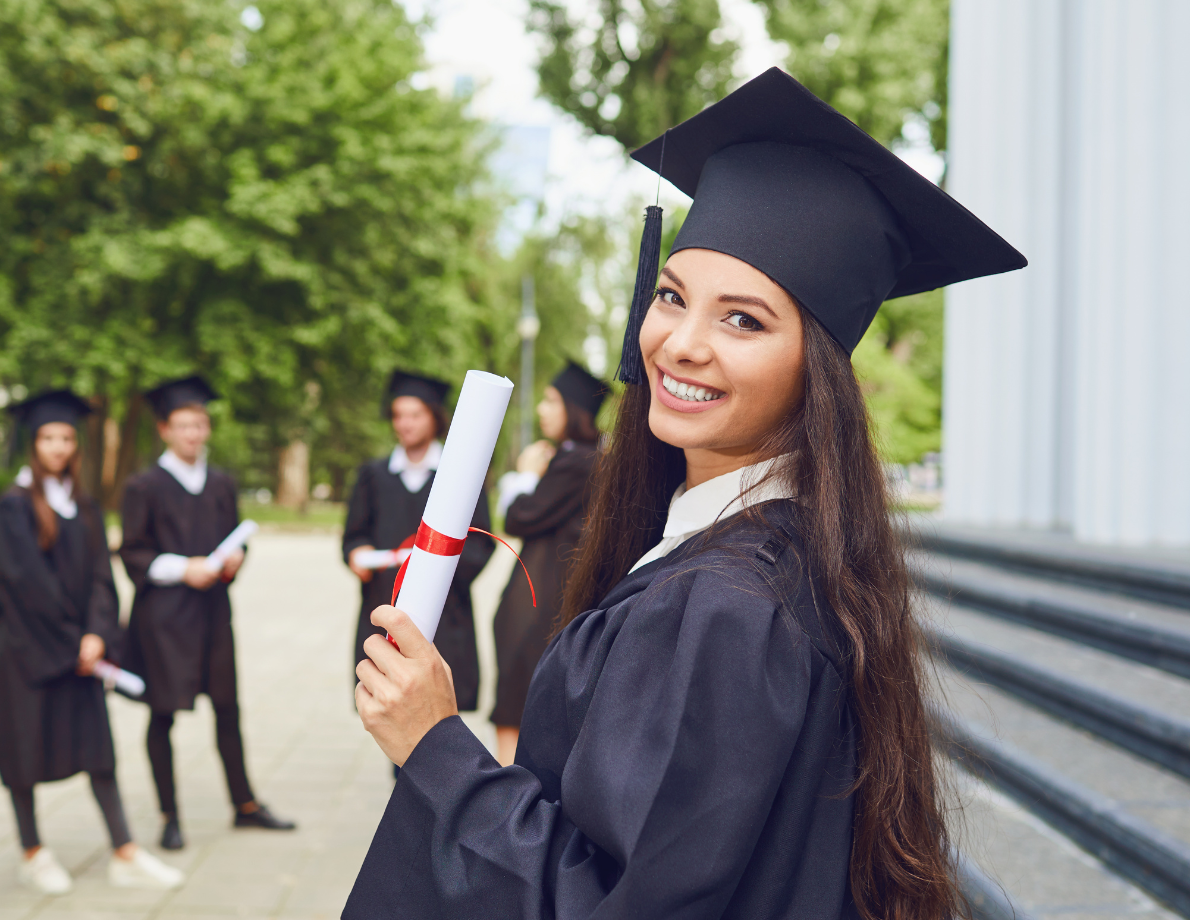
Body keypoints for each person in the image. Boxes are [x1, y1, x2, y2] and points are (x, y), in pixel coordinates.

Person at [345, 67, 1027, 920]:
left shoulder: (726, 609)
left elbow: (623, 903)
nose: (681, 343)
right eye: (671, 297)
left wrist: (435, 745)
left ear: (814, 369)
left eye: (743, 319)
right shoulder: (784, 558)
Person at [0, 390, 184, 894]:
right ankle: (32, 851)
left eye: (66, 438)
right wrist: (75, 642)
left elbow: (101, 575)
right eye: (49, 438)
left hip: (80, 650)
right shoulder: (12, 507)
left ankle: (124, 851)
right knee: (23, 749)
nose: (58, 447)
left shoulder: (84, 505)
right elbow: (27, 584)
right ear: (34, 443)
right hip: (23, 651)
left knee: (97, 749)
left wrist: (97, 633)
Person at [120, 376, 295, 852]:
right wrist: (183, 569)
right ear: (164, 430)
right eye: (183, 425)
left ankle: (245, 805)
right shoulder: (144, 485)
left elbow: (237, 539)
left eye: (200, 424)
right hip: (164, 616)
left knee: (227, 707)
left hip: (214, 612)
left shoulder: (220, 483)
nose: (193, 434)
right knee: (163, 713)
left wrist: (234, 562)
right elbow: (133, 553)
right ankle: (169, 814)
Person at [343, 370, 493, 719]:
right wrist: (356, 555)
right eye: (398, 415)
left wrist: (436, 572)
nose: (404, 424)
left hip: (444, 611)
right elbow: (354, 535)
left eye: (414, 415)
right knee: (388, 701)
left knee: (438, 710)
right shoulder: (373, 475)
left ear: (434, 418)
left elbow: (481, 542)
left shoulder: (459, 476)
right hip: (385, 602)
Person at [490, 361, 605, 765]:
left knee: (515, 700)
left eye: (551, 400)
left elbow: (520, 516)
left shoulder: (578, 460)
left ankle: (502, 802)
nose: (542, 409)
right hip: (548, 594)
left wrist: (526, 475)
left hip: (540, 600)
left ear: (574, 409)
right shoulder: (589, 456)